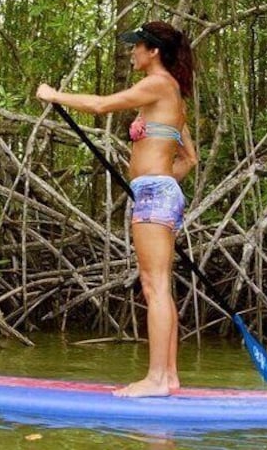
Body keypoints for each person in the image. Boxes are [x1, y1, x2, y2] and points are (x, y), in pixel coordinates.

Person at [36, 21, 198, 397]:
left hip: (155, 193)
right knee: (160, 285)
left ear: (153, 51)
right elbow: (189, 158)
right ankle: (169, 376)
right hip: (158, 191)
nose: (132, 52)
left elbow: (101, 105)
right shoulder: (171, 96)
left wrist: (54, 95)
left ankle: (156, 380)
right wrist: (159, 176)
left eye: (136, 46)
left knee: (154, 285)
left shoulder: (158, 84)